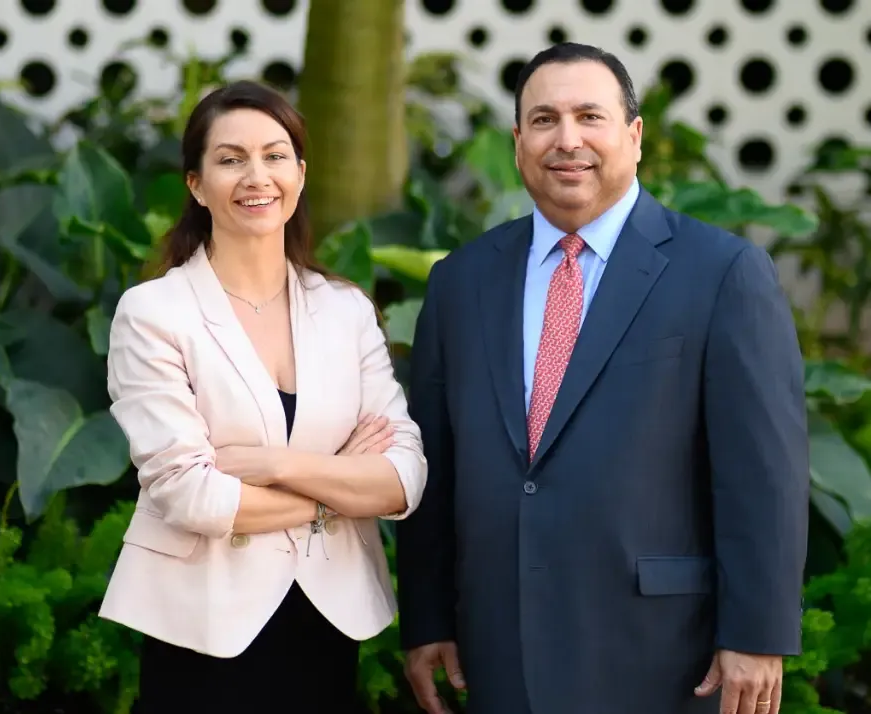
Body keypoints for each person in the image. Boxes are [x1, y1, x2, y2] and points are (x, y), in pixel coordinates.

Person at [396, 42, 809, 714]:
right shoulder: (460, 281)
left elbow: (763, 472)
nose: (567, 140)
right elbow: (433, 464)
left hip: (660, 652)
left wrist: (757, 634)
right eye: (542, 120)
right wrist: (427, 618)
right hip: (499, 648)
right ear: (517, 140)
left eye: (590, 116)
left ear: (633, 135)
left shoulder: (721, 273)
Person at [99, 80, 427, 714]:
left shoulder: (345, 310)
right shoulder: (153, 313)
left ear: (300, 175)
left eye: (276, 155)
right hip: (203, 627)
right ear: (196, 184)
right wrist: (337, 486)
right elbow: (189, 492)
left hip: (327, 622)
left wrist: (278, 467)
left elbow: (403, 476)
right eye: (230, 159)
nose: (258, 176)